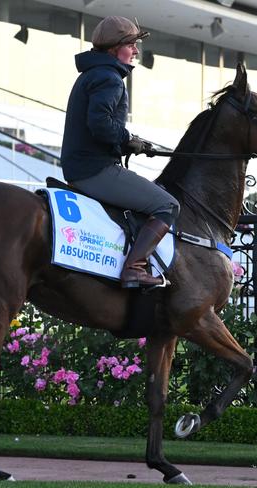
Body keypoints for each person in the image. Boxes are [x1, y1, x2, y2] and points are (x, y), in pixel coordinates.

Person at [60, 16, 180, 288]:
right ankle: (134, 269)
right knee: (167, 205)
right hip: (95, 170)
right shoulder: (110, 78)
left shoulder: (94, 74)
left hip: (82, 166)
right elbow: (100, 124)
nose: (136, 51)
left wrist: (129, 141)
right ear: (116, 48)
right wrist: (128, 140)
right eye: (131, 45)